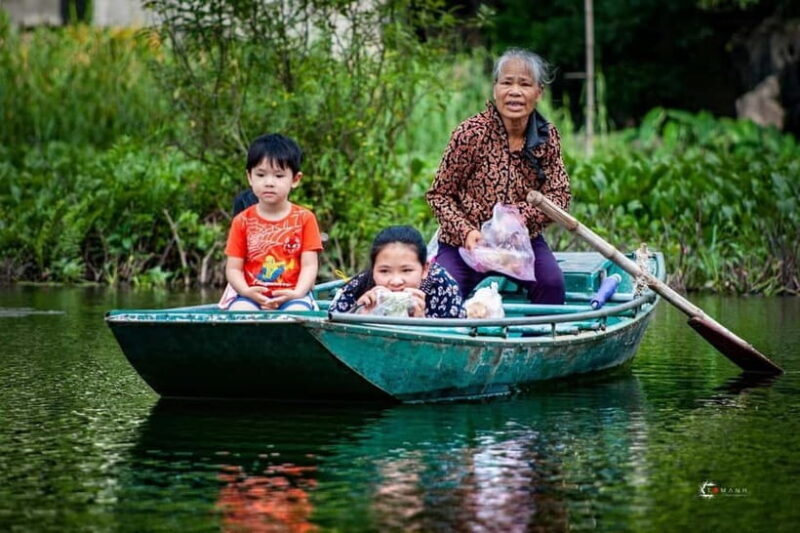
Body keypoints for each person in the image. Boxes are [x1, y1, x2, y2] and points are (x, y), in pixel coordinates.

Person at [426, 48, 571, 305]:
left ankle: (536, 342)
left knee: (551, 284)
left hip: (520, 244)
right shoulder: (471, 133)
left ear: (539, 92)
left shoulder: (546, 137)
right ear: (495, 89)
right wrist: (467, 232)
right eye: (507, 83)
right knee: (441, 291)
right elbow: (439, 195)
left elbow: (559, 195)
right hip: (465, 244)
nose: (514, 91)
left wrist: (519, 218)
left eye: (524, 84)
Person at [221, 133, 322, 311]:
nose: (269, 183)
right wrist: (246, 291)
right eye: (260, 175)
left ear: (295, 180)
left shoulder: (305, 218)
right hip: (251, 296)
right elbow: (233, 269)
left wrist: (298, 293)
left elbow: (309, 265)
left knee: (297, 312)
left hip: (292, 297)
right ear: (250, 177)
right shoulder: (241, 221)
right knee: (240, 310)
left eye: (278, 176)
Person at [329, 226, 464, 318]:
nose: (396, 281)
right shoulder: (360, 286)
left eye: (406, 270)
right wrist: (359, 315)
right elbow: (332, 324)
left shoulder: (444, 286)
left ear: (424, 269)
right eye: (384, 271)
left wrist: (422, 322)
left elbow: (458, 340)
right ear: (374, 269)